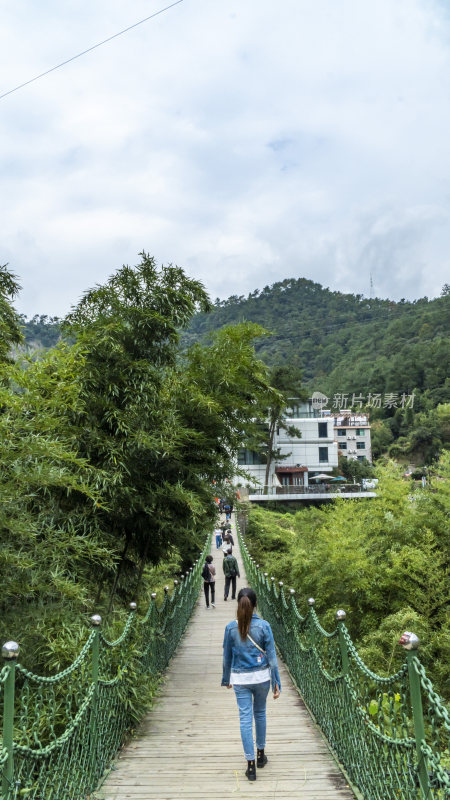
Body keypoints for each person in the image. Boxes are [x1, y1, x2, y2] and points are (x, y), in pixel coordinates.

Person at [221, 588, 281, 781]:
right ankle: (261, 755)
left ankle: (251, 765)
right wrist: (276, 682)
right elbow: (272, 657)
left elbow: (226, 657)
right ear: (255, 605)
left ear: (238, 604)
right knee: (260, 713)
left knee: (245, 719)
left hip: (240, 679)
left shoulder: (231, 628)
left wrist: (226, 678)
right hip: (262, 677)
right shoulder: (264, 626)